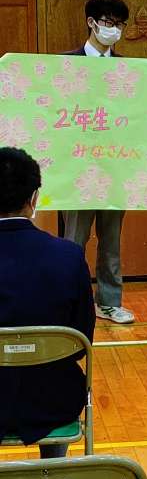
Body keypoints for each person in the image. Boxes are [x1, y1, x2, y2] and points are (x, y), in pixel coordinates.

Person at [0, 147, 95, 456]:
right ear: (34, 198)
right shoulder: (68, 256)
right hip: (52, 402)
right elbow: (81, 342)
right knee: (56, 378)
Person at [62, 0, 135, 324]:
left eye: (120, 24)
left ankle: (109, 301)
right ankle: (67, 304)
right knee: (73, 242)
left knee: (111, 241)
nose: (114, 29)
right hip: (77, 168)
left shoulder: (129, 69)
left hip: (114, 167)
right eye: (108, 22)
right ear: (91, 22)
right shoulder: (65, 65)